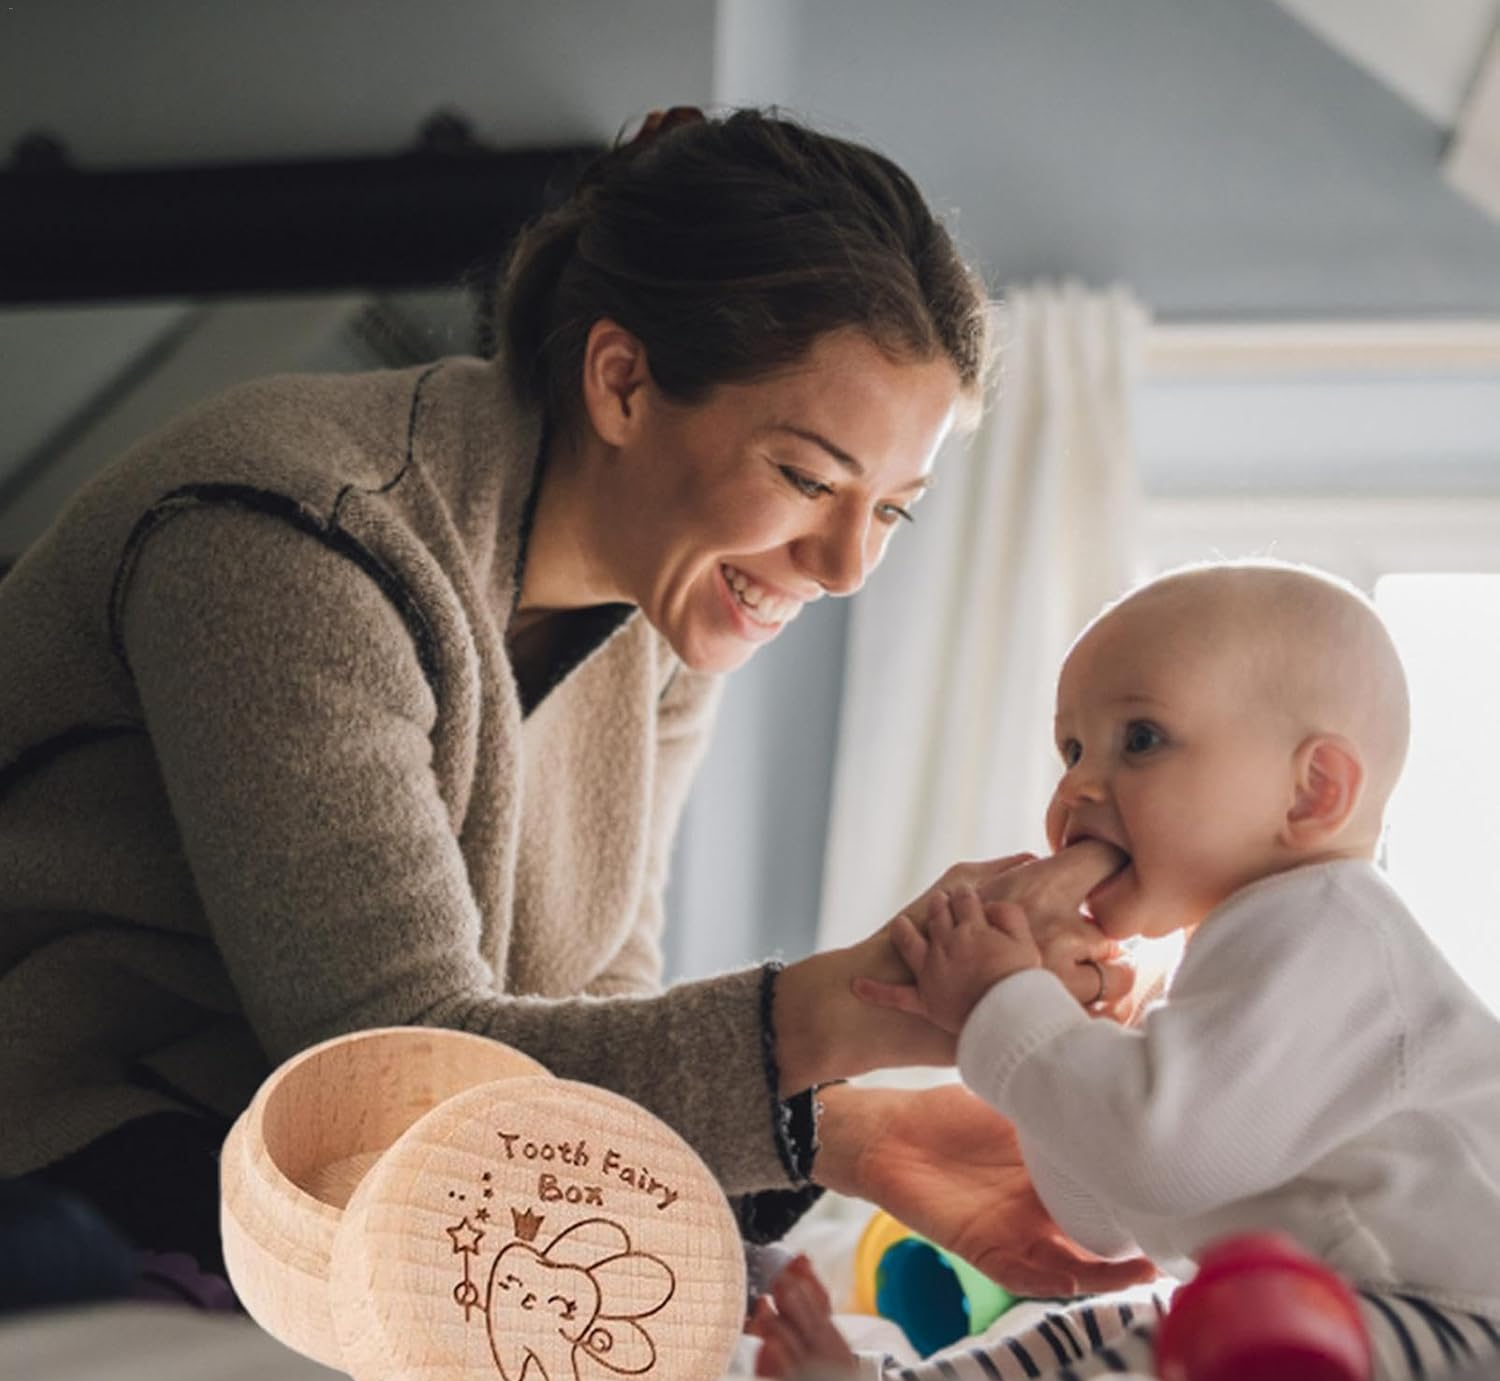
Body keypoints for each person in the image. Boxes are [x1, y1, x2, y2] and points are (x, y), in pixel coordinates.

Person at [0, 107, 1145, 1305]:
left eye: (893, 508)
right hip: (77, 1148)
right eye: (807, 477)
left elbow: (583, 1016)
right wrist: (877, 994)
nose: (849, 566)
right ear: (622, 381)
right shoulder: (286, 540)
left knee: (706, 1305)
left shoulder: (663, 629)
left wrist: (850, 1134)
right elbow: (391, 1082)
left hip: (299, 1154)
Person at [750, 560, 1500, 1381]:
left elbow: (1164, 1155)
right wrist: (1077, 1032)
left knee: (1162, 1356)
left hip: (1456, 1324)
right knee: (1106, 1324)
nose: (1076, 788)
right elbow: (1103, 1214)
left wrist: (1009, 1011)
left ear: (1312, 792)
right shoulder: (1230, 955)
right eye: (1070, 750)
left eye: (1139, 739)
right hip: (1330, 1308)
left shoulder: (1329, 931)